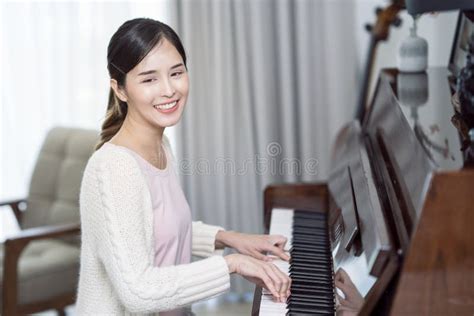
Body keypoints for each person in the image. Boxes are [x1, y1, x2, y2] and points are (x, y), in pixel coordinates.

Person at [76, 18, 291, 315]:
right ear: (120, 89)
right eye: (149, 79)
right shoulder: (113, 168)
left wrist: (228, 238)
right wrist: (231, 264)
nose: (169, 90)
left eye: (176, 73)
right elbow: (138, 291)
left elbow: (154, 230)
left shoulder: (161, 146)